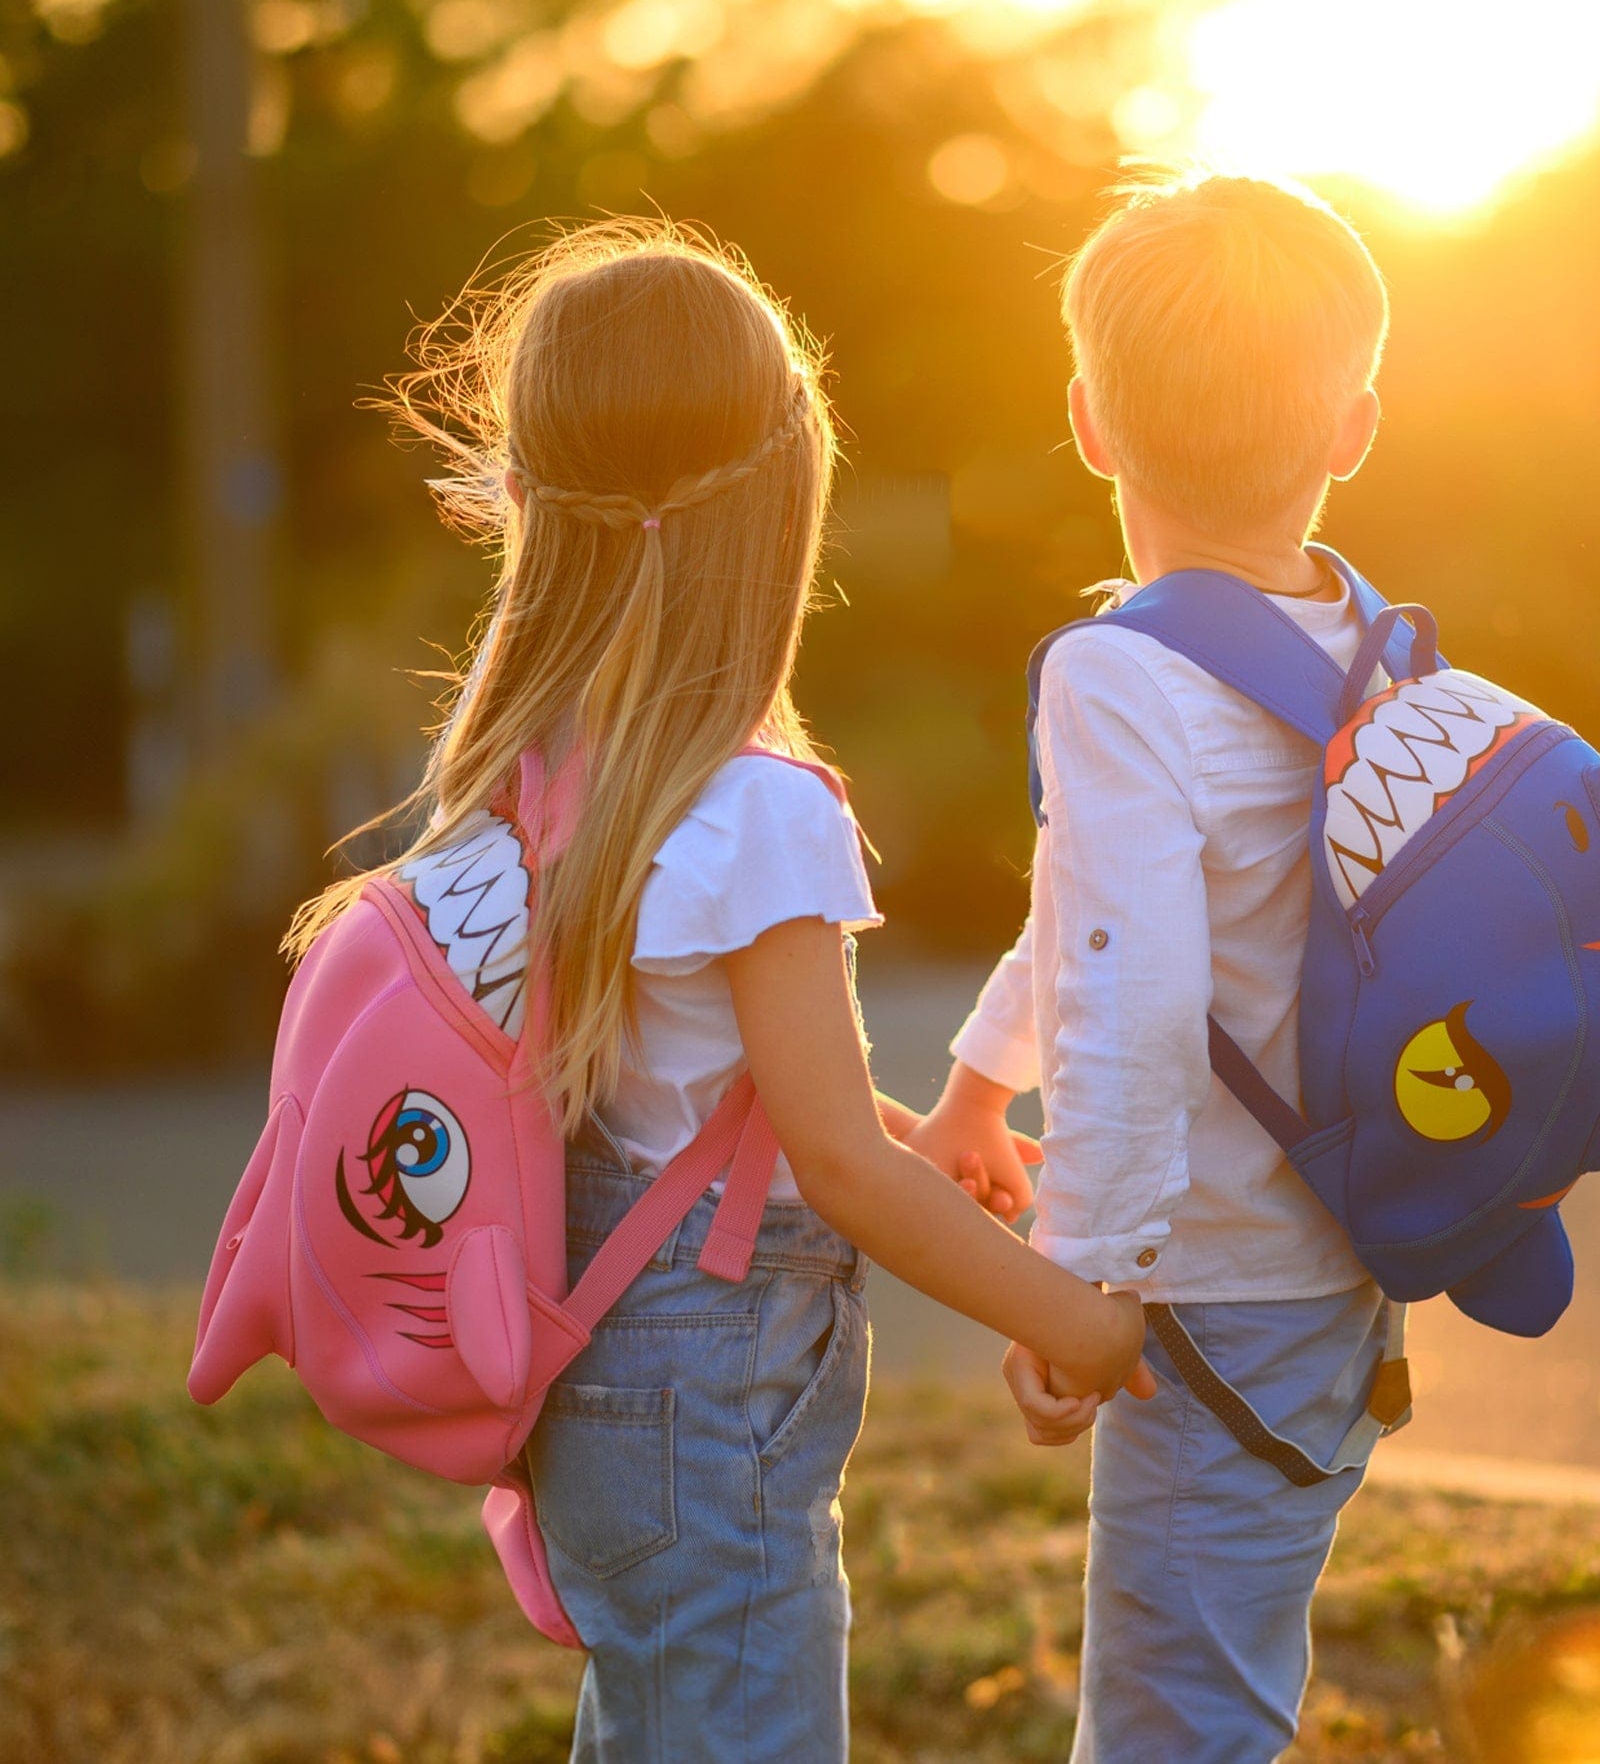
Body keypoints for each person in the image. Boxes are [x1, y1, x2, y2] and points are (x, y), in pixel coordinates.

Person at [294, 219, 1149, 1762]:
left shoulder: (539, 772)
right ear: (776, 515)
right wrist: (1074, 1322)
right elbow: (830, 1163)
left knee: (654, 1727)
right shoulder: (758, 809)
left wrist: (917, 1131)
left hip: (598, 1389)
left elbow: (704, 1088)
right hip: (708, 1411)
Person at [911, 173, 1401, 1761]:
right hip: (1339, 1257)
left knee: (1176, 1728)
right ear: (1352, 429)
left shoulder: (1123, 674)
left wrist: (1080, 1284)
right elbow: (1103, 917)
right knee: (1228, 1688)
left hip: (1203, 1290)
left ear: (1088, 422)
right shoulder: (1366, 643)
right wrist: (985, 1080)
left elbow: (1129, 991)